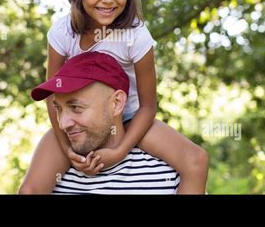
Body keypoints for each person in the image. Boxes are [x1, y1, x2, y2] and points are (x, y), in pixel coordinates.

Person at [19, 0, 208, 194]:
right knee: (30, 189)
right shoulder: (62, 32)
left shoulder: (137, 36)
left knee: (196, 160)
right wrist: (66, 149)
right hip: (77, 117)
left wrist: (120, 150)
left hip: (130, 119)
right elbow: (54, 95)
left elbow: (149, 105)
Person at [22, 52, 180, 194]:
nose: (63, 124)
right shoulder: (49, 174)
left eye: (76, 107)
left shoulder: (169, 176)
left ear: (116, 103)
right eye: (58, 108)